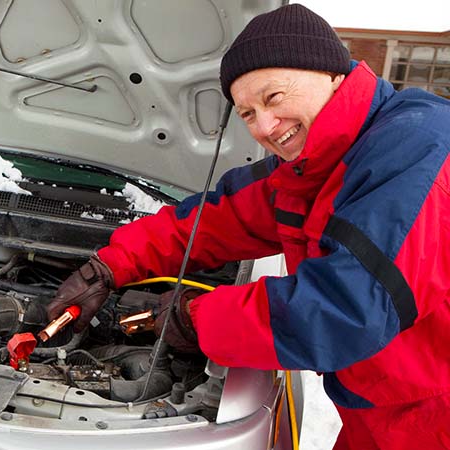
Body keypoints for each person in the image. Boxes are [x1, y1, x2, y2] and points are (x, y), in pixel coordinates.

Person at [47, 4, 450, 448]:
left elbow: (347, 310)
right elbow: (217, 217)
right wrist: (106, 268)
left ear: (333, 73)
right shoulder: (314, 165)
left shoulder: (416, 149)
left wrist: (195, 317)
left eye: (273, 98)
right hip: (384, 411)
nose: (266, 126)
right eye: (247, 114)